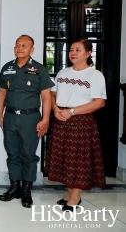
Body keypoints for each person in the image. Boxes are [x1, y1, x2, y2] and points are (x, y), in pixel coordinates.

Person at [45, 39, 106, 212]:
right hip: (61, 119)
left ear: (88, 53)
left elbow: (99, 103)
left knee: (78, 160)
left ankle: (75, 196)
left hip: (81, 121)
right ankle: (69, 192)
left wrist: (71, 111)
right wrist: (55, 109)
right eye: (71, 49)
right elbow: (53, 94)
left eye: (78, 50)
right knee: (64, 158)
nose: (73, 53)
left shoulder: (94, 75)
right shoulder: (62, 73)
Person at [0, 35, 54, 208]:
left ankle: (27, 190)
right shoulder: (7, 67)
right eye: (17, 45)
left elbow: (46, 97)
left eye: (24, 45)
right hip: (10, 117)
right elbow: (1, 94)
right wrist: (0, 115)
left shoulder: (39, 69)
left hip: (31, 118)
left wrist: (45, 119)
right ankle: (15, 188)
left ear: (32, 49)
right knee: (12, 153)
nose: (20, 47)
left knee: (28, 155)